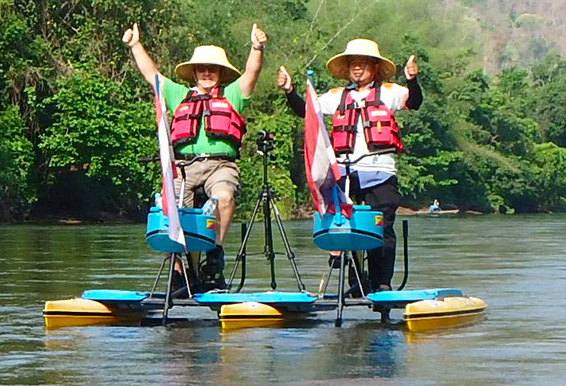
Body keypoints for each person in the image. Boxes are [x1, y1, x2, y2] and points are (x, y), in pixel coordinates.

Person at [123, 21, 269, 288]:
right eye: (201, 69)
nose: (206, 73)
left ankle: (214, 256)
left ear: (220, 73)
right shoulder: (180, 95)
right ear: (194, 73)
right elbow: (152, 75)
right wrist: (135, 45)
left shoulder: (232, 94)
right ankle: (180, 270)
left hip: (221, 165)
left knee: (223, 197)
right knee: (173, 210)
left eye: (212, 69)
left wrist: (257, 47)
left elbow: (251, 73)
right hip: (184, 167)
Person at [275, 39, 421, 292]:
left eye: (363, 64)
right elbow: (306, 111)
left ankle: (381, 282)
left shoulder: (389, 92)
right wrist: (290, 91)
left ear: (374, 67)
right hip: (344, 172)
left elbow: (415, 101)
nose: (357, 69)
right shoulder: (337, 96)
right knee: (346, 226)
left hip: (380, 171)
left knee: (381, 226)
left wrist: (412, 80)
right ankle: (357, 280)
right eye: (353, 64)